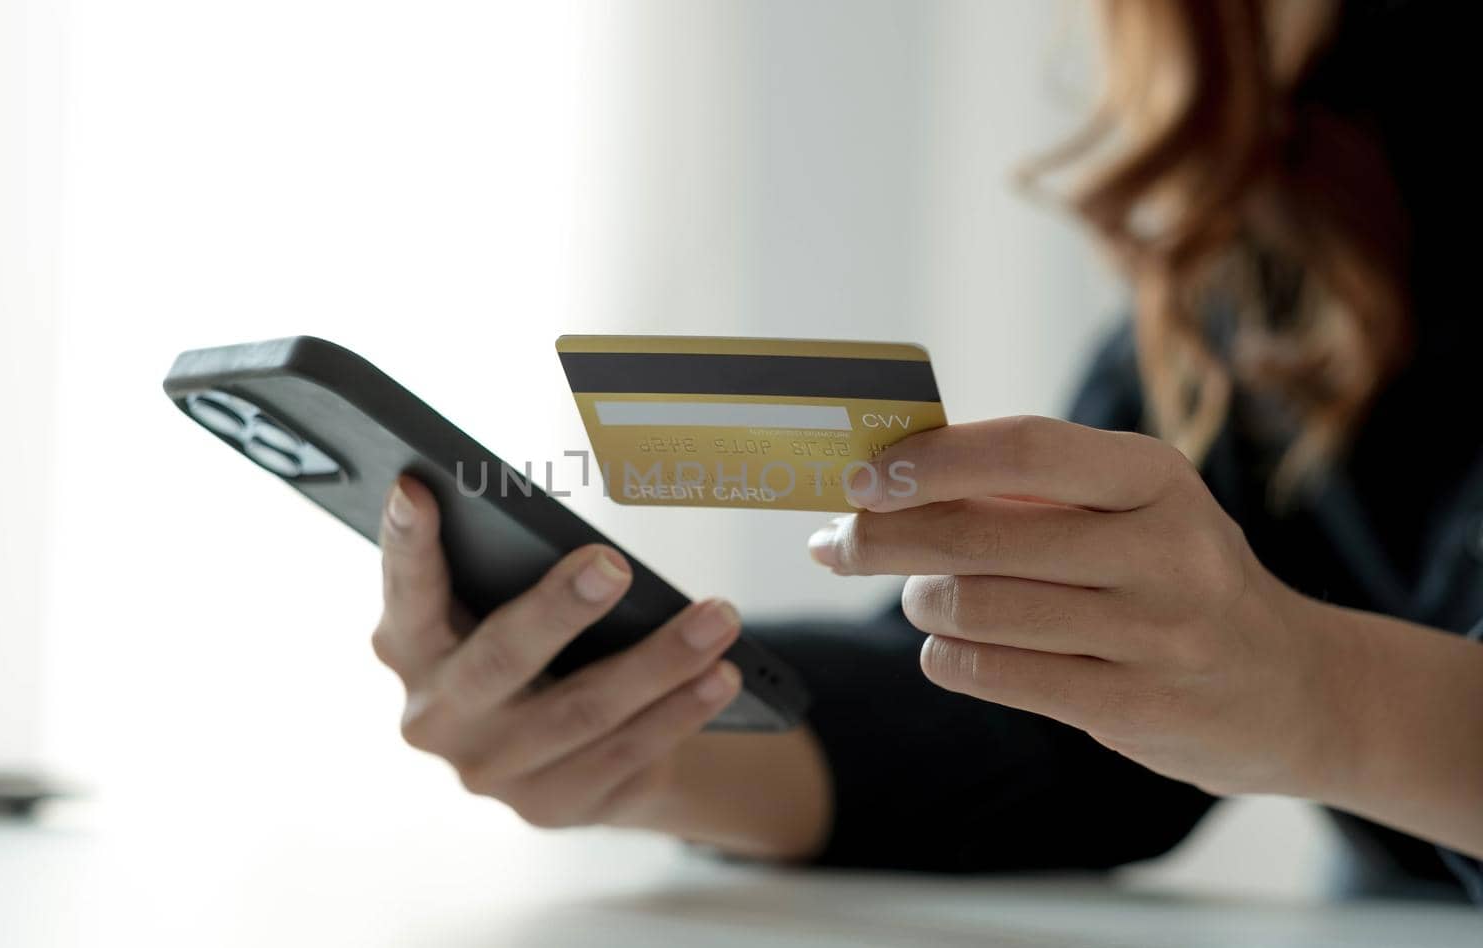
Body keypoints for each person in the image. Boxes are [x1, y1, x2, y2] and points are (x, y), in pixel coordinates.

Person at [368, 0, 1482, 902]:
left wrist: (1324, 696)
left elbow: (1258, 695)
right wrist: (646, 743)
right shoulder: (1292, 180)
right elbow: (1067, 730)